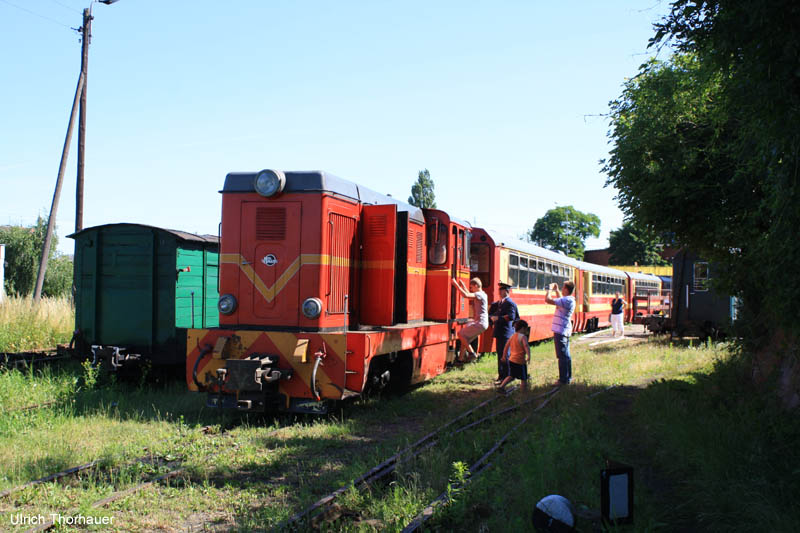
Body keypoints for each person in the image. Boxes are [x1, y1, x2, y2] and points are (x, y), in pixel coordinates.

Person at [450, 277, 489, 362]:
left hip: (480, 323)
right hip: (482, 323)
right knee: (465, 340)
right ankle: (460, 360)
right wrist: (463, 285)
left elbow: (466, 295)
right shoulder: (483, 294)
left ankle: (472, 353)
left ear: (476, 286)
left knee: (460, 334)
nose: (471, 289)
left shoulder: (479, 294)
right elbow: (468, 294)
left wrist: (455, 284)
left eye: (471, 287)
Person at [545, 280, 576, 386]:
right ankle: (568, 377)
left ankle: (563, 380)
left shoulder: (567, 300)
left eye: (563, 288)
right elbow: (560, 300)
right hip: (564, 330)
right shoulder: (569, 300)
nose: (562, 289)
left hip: (560, 331)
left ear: (567, 290)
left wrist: (549, 289)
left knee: (562, 356)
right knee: (566, 355)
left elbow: (548, 300)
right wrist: (557, 290)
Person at [490, 281, 519, 383]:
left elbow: (510, 317)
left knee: (505, 355)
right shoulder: (499, 303)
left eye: (501, 290)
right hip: (500, 332)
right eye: (499, 290)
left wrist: (497, 318)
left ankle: (507, 376)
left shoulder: (509, 303)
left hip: (506, 333)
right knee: (500, 354)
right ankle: (501, 376)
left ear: (506, 291)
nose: (499, 291)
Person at [495, 319, 531, 394]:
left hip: (512, 360)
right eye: (526, 329)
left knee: (511, 376)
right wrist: (528, 355)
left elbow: (506, 347)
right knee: (523, 378)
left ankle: (501, 386)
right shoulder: (523, 337)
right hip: (520, 361)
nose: (526, 331)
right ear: (522, 328)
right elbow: (526, 346)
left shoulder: (512, 336)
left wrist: (504, 356)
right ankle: (523, 393)